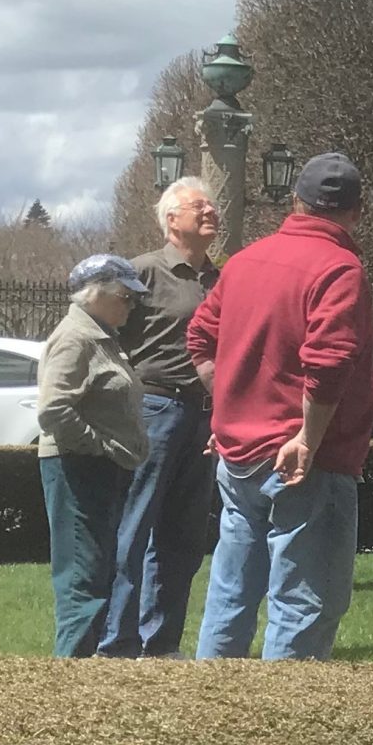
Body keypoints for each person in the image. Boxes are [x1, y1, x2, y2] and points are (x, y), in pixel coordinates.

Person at [185, 152, 373, 661]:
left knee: (230, 594)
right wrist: (307, 439)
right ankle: (284, 712)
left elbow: (200, 338)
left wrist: (228, 408)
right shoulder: (341, 268)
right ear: (357, 211)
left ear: (294, 202)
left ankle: (209, 703)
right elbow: (329, 363)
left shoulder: (244, 262)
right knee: (304, 603)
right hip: (309, 462)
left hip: (238, 455)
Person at [104, 176, 221, 658]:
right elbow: (106, 336)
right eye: (200, 206)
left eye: (212, 205)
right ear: (172, 220)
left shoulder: (222, 279)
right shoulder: (142, 273)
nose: (211, 211)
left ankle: (162, 643)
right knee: (134, 527)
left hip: (204, 416)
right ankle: (116, 642)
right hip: (155, 409)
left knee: (184, 535)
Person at [38, 255, 153, 658]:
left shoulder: (102, 337)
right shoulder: (76, 338)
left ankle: (82, 672)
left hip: (101, 470)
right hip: (78, 469)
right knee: (82, 581)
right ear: (95, 295)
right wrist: (100, 447)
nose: (132, 305)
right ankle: (69, 676)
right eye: (125, 296)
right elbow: (54, 410)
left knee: (97, 575)